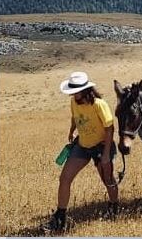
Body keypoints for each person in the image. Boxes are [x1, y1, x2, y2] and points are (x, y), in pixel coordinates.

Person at [44, 71, 118, 232]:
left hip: (101, 146)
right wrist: (71, 131)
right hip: (82, 146)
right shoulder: (74, 102)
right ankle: (60, 217)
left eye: (75, 90)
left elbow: (110, 128)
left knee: (108, 180)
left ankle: (113, 208)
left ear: (84, 90)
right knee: (64, 178)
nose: (72, 93)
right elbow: (75, 117)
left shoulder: (99, 104)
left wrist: (106, 155)